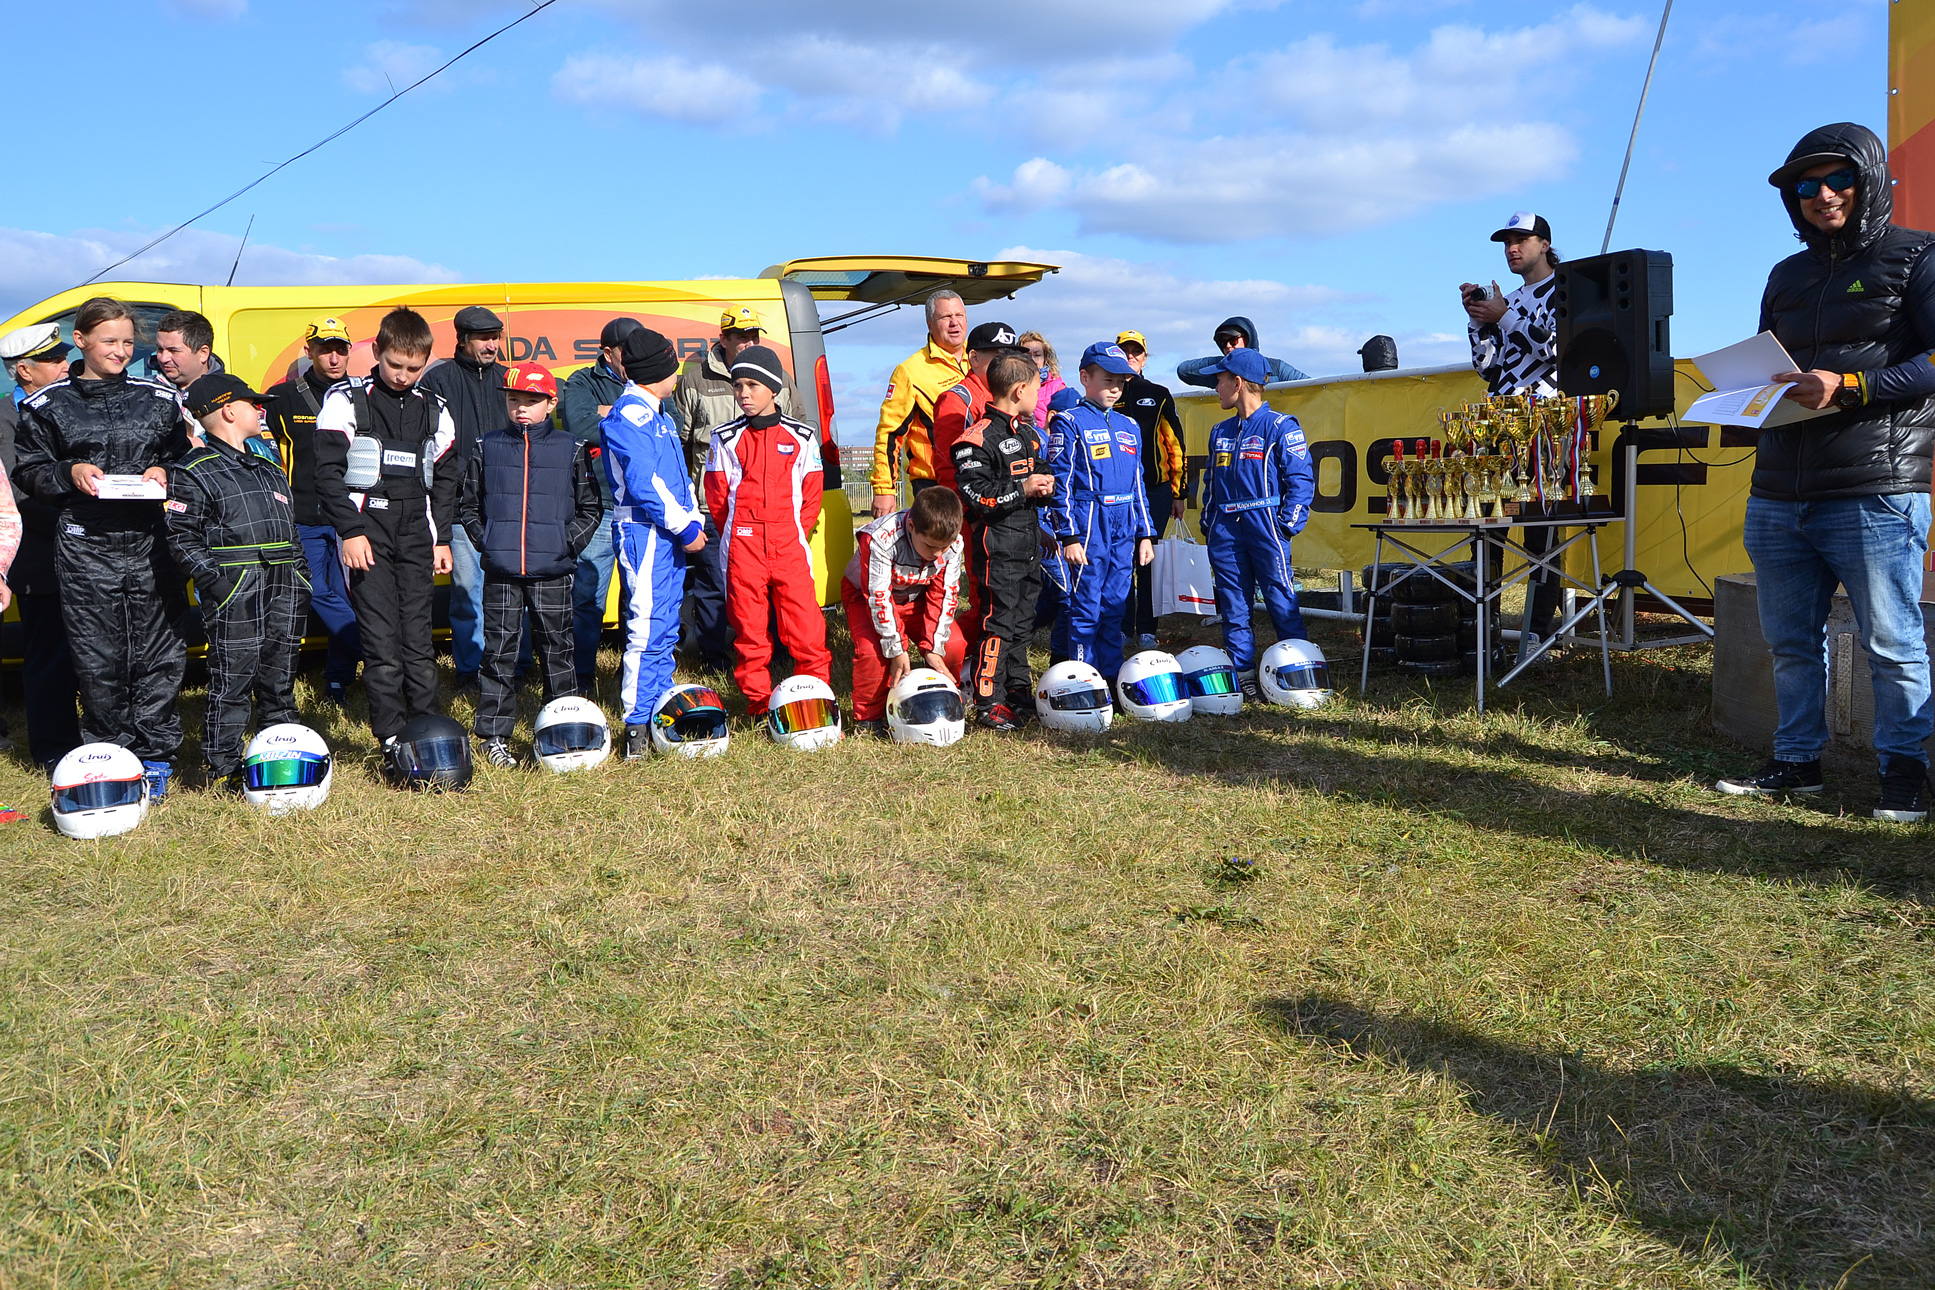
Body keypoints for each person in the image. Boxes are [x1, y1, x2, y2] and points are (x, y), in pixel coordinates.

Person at [1715, 122, 1935, 821]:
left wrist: (1852, 387)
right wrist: (1738, 404)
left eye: (1838, 178)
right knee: (1789, 644)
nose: (1822, 194)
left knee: (1892, 645)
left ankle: (1904, 776)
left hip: (1875, 489)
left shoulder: (1917, 255)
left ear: (1868, 180)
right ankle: (1796, 763)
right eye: (1806, 185)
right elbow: (1771, 367)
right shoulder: (1785, 275)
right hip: (1779, 491)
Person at [14, 297, 192, 798]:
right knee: (99, 657)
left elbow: (184, 459)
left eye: (128, 342)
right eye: (109, 341)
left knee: (160, 650)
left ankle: (155, 754)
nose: (120, 351)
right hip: (86, 545)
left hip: (151, 541)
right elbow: (28, 470)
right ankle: (112, 754)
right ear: (81, 341)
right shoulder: (47, 405)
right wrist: (67, 472)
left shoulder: (158, 399)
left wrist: (165, 471)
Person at [312, 306, 459, 751]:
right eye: (395, 365)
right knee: (381, 640)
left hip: (417, 530)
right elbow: (326, 474)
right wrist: (350, 530)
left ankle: (426, 729)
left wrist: (443, 539)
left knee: (418, 638)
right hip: (367, 529)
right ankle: (391, 736)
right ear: (376, 351)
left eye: (414, 368)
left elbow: (446, 480)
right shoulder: (346, 400)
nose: (402, 376)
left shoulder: (436, 409)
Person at [166, 374, 307, 792]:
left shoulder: (268, 467)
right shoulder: (193, 471)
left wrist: (301, 576)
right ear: (228, 410)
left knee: (280, 675)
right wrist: (219, 584)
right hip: (236, 586)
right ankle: (223, 766)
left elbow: (292, 530)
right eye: (252, 403)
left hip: (285, 582)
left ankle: (284, 753)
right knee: (233, 677)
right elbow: (180, 536)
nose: (260, 410)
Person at [459, 364, 603, 767]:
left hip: (553, 570)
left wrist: (564, 544)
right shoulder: (487, 446)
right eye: (514, 399)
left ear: (551, 403)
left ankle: (564, 731)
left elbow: (591, 507)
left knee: (558, 650)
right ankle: (493, 735)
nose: (521, 407)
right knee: (498, 653)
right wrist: (489, 541)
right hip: (502, 571)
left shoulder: (571, 447)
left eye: (532, 400)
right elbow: (467, 504)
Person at [673, 305, 804, 672]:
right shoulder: (696, 379)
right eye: (741, 336)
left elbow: (799, 431)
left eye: (754, 336)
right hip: (713, 506)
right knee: (714, 585)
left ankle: (779, 654)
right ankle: (713, 659)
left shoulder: (780, 377)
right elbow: (681, 443)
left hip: (769, 508)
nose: (749, 342)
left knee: (774, 586)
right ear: (723, 339)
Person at [704, 343, 833, 716]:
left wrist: (790, 532)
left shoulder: (802, 436)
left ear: (773, 389)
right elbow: (718, 499)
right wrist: (742, 534)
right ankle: (759, 704)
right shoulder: (724, 437)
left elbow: (811, 496)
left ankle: (816, 698)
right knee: (750, 632)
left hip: (788, 545)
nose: (743, 394)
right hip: (743, 549)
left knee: (806, 629)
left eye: (752, 385)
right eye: (737, 385)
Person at [601, 328, 707, 759]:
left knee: (665, 626)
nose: (677, 374)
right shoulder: (631, 415)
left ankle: (660, 707)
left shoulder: (660, 414)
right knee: (646, 627)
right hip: (645, 531)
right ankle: (637, 726)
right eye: (672, 366)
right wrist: (685, 527)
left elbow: (678, 478)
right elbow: (645, 484)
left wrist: (693, 517)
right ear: (657, 370)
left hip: (668, 532)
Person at [1461, 210, 1565, 641]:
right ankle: (1483, 629)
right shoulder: (1512, 300)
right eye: (1506, 242)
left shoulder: (1567, 289)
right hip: (1497, 422)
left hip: (1543, 423)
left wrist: (1503, 315)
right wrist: (1477, 321)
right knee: (1487, 528)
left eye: (1521, 240)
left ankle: (1536, 633)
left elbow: (1554, 349)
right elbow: (1487, 367)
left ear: (1545, 245)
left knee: (1541, 532)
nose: (1511, 249)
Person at [1198, 347, 1314, 700]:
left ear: (1237, 383)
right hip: (1226, 528)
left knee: (1281, 599)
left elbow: (1301, 480)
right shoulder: (1219, 430)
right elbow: (1210, 483)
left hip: (1265, 524)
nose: (1215, 387)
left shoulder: (1281, 425)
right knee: (1233, 604)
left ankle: (1300, 670)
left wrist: (1286, 525)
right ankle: (1243, 674)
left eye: (1219, 380)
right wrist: (1209, 522)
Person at [951, 349, 1053, 730]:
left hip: (1028, 545)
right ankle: (988, 700)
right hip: (997, 549)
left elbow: (1039, 472)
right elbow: (977, 497)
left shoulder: (1027, 433)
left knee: (1023, 624)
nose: (1039, 396)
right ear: (1019, 390)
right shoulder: (974, 439)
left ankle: (1016, 689)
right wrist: (1024, 488)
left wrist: (1045, 484)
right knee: (999, 623)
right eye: (1037, 388)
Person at [1044, 342, 1156, 684]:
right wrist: (1068, 536)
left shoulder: (1129, 425)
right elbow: (1060, 484)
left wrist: (1145, 534)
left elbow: (1138, 483)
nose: (1115, 388)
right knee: (1086, 606)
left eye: (1121, 381)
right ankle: (1083, 680)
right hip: (1089, 522)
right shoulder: (1069, 422)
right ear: (1085, 378)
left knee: (1115, 605)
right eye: (1108, 380)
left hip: (1124, 524)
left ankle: (1109, 676)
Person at [264, 316, 363, 706]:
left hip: (348, 517)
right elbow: (264, 454)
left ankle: (338, 681)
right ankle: (370, 645)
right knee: (314, 590)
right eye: (325, 350)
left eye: (340, 350)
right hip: (302, 516)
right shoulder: (282, 397)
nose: (334, 358)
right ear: (309, 351)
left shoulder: (361, 396)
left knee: (346, 595)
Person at [0, 323, 82, 769]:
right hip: (40, 555)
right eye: (53, 360)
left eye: (63, 356)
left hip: (86, 552)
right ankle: (54, 750)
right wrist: (78, 525)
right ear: (24, 371)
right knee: (49, 657)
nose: (64, 365)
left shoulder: (68, 406)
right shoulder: (4, 418)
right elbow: (16, 494)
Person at [417, 305, 506, 693]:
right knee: (468, 593)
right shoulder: (438, 380)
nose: (491, 345)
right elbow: (430, 447)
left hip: (505, 507)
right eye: (484, 338)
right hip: (457, 506)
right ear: (463, 340)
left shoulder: (507, 379)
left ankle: (513, 666)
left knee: (508, 592)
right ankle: (471, 670)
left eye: (495, 337)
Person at [841, 488, 965, 738]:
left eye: (944, 547)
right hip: (866, 596)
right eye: (930, 546)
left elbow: (944, 595)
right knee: (873, 653)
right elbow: (878, 598)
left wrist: (933, 648)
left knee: (953, 644)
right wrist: (897, 649)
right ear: (911, 526)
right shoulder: (880, 538)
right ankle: (868, 718)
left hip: (916, 597)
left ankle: (944, 698)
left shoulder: (953, 544)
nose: (938, 554)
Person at [558, 317, 638, 691]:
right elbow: (580, 425)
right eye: (626, 350)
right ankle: (581, 680)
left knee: (637, 599)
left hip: (640, 507)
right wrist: (634, 418)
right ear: (608, 353)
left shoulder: (648, 378)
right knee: (587, 599)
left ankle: (633, 676)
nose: (635, 357)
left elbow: (671, 420)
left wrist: (610, 412)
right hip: (599, 505)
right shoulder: (581, 381)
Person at [1115, 329, 1187, 647]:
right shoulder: (1107, 393)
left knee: (1147, 560)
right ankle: (1121, 627)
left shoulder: (1158, 394)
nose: (1131, 356)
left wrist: (1179, 493)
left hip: (1154, 490)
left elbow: (1175, 445)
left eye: (1136, 351)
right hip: (1117, 493)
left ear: (1145, 357)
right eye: (1125, 351)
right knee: (1120, 559)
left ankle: (1147, 628)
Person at [868, 289, 969, 517]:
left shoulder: (981, 359)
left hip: (981, 478)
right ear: (930, 324)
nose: (954, 323)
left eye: (959, 315)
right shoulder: (910, 371)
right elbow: (888, 434)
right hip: (934, 485)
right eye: (946, 317)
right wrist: (884, 489)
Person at [929, 320, 1021, 492]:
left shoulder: (1014, 396)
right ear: (974, 358)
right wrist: (970, 511)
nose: (1008, 364)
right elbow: (948, 468)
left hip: (1007, 501)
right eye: (999, 356)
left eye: (1013, 356)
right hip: (975, 505)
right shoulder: (957, 400)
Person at [1176, 317, 1306, 389]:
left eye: (1233, 340)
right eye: (1223, 343)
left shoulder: (1277, 368)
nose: (1228, 346)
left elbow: (1313, 388)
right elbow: (1184, 371)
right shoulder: (1221, 373)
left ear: (1248, 339)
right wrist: (1227, 363)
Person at [150, 310, 224, 393]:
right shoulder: (144, 391)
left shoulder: (228, 394)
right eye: (160, 349)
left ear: (203, 353)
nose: (163, 359)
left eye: (173, 351)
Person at [1019, 331, 1067, 427]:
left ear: (1045, 358)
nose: (1033, 360)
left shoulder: (1057, 387)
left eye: (1037, 355)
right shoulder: (1012, 385)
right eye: (1027, 356)